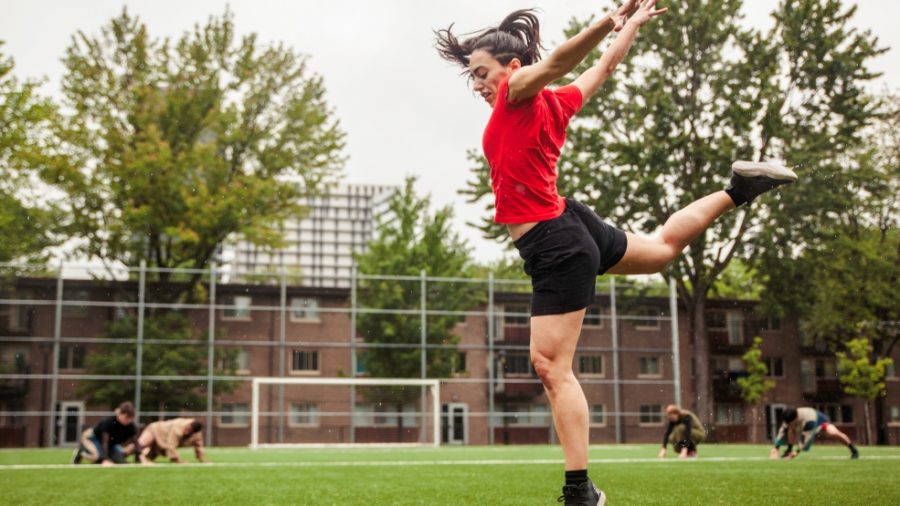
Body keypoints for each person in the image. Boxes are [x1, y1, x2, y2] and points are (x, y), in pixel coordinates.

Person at [435, 1, 797, 503]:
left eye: (481, 73)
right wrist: (627, 28)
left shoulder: (517, 94)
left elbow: (560, 61)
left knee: (550, 365)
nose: (477, 84)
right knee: (663, 248)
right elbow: (603, 67)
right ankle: (739, 189)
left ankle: (581, 491)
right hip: (570, 223)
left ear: (512, 68)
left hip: (554, 242)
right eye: (472, 76)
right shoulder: (557, 102)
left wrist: (610, 21)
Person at [770, 406, 859, 460]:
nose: (787, 424)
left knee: (834, 433)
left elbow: (806, 439)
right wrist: (776, 447)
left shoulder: (809, 421)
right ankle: (788, 450)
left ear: (795, 418)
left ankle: (853, 449)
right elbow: (782, 430)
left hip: (820, 423)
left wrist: (796, 452)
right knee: (790, 430)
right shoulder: (789, 417)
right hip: (803, 425)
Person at [72, 401, 142, 465]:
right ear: (120, 413)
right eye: (126, 418)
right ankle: (81, 452)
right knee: (98, 457)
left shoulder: (131, 426)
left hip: (110, 444)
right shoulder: (109, 422)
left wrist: (140, 457)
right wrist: (105, 460)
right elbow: (105, 441)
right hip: (93, 439)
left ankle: (100, 459)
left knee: (121, 461)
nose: (128, 421)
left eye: (130, 418)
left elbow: (136, 442)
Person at [137, 417, 207, 464]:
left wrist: (201, 458)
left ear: (193, 433)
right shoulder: (178, 427)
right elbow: (171, 445)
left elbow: (199, 445)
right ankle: (125, 454)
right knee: (141, 445)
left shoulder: (197, 433)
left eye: (189, 431)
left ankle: (139, 456)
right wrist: (177, 460)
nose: (186, 432)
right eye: (187, 429)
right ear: (188, 425)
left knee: (149, 457)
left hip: (162, 439)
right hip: (155, 429)